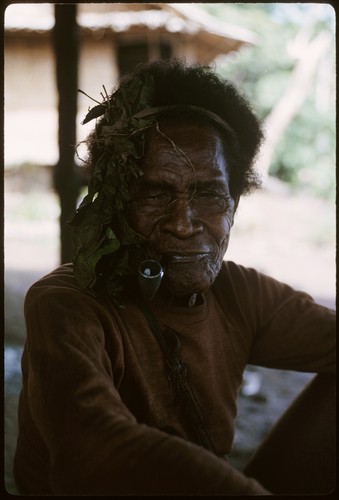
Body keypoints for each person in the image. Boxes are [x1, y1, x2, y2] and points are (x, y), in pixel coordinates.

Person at [14, 59, 335, 495]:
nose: (183, 223)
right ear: (116, 204)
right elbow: (94, 449)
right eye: (155, 193)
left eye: (208, 194)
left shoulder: (240, 294)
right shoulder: (66, 303)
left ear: (234, 204)